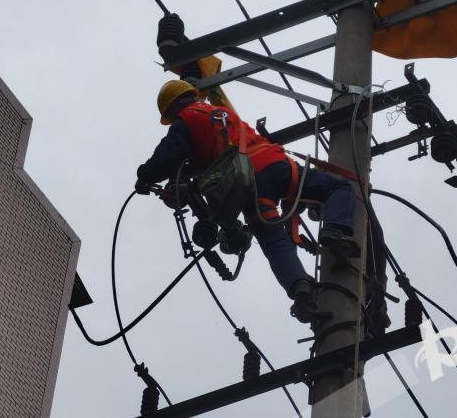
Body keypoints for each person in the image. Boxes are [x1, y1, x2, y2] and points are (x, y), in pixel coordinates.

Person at [135, 80, 357, 322]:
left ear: (173, 108)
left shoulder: (186, 120)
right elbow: (199, 160)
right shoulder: (225, 115)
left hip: (248, 185)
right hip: (276, 167)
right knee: (339, 187)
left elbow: (169, 155)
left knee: (274, 241)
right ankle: (335, 232)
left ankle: (300, 289)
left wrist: (145, 176)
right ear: (192, 95)